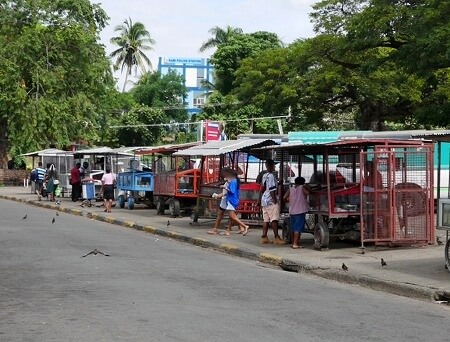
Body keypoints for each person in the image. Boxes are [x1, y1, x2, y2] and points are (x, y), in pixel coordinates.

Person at [208, 168, 249, 236]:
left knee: (231, 216)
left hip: (231, 200)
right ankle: (241, 227)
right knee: (232, 216)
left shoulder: (233, 181)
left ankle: (244, 226)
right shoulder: (233, 181)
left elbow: (231, 191)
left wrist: (224, 187)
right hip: (231, 200)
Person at [260, 159, 285, 245]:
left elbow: (263, 188)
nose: (274, 166)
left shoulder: (264, 175)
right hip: (270, 199)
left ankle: (264, 237)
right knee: (274, 219)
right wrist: (275, 201)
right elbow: (272, 190)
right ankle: (276, 237)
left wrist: (278, 183)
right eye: (273, 165)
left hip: (264, 199)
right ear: (269, 166)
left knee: (266, 219)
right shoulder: (271, 176)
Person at [283, 177, 310, 249]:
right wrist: (308, 188)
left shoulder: (291, 189)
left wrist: (288, 201)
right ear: (303, 182)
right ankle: (295, 244)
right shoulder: (302, 187)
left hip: (292, 211)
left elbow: (284, 197)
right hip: (300, 211)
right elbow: (308, 193)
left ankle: (294, 243)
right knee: (297, 229)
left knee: (293, 228)